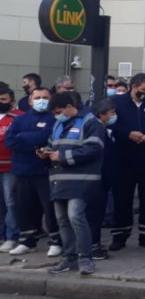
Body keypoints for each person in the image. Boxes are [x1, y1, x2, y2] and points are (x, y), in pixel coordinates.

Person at [44, 92, 105, 276]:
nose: (57, 116)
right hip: (59, 180)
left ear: (70, 107)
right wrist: (46, 153)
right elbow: (53, 146)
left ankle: (85, 258)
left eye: (59, 111)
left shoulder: (90, 122)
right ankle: (69, 258)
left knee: (75, 216)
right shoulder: (58, 124)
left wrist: (62, 156)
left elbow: (94, 149)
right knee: (62, 220)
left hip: (81, 180)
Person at [108, 73, 145, 250]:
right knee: (122, 199)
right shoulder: (117, 102)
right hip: (123, 158)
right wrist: (127, 134)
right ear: (133, 87)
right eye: (143, 90)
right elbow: (109, 124)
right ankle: (120, 236)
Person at [4, 87, 60, 256]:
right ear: (30, 101)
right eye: (37, 97)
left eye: (45, 97)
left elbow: (45, 137)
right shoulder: (20, 119)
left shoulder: (54, 118)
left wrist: (22, 136)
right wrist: (33, 144)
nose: (41, 100)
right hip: (22, 171)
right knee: (24, 208)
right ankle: (27, 241)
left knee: (49, 208)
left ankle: (56, 241)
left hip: (44, 171)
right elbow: (9, 140)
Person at [90, 98, 118, 260]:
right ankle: (93, 246)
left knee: (97, 213)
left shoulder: (104, 129)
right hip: (98, 178)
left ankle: (94, 244)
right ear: (101, 114)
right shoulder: (97, 129)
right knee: (94, 213)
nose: (114, 115)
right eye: (111, 113)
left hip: (103, 177)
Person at [0, 86, 22, 252]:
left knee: (10, 202)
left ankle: (11, 236)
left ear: (12, 101)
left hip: (11, 167)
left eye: (3, 99)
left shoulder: (18, 117)